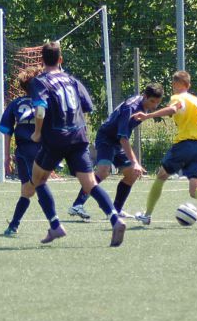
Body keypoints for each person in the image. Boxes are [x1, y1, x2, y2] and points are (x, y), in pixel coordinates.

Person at [20, 41, 128, 247]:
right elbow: (86, 106)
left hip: (55, 138)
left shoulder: (39, 82)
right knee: (90, 184)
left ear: (41, 60)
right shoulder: (72, 80)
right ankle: (115, 218)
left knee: (38, 179)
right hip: (78, 136)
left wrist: (37, 132)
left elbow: (40, 110)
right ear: (61, 60)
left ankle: (55, 225)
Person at [131, 70, 197, 225]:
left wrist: (147, 116)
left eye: (173, 85)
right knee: (194, 190)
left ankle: (147, 215)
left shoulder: (179, 98)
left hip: (185, 144)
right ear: (189, 84)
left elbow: (173, 110)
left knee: (161, 176)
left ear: (175, 85)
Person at [67, 83, 164, 221]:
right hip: (107, 138)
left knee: (131, 174)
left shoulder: (143, 105)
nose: (154, 105)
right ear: (145, 96)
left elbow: (122, 138)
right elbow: (123, 138)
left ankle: (116, 209)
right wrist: (135, 162)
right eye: (152, 101)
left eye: (158, 102)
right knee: (103, 171)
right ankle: (77, 205)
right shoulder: (130, 108)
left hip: (117, 141)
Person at [0, 67, 56, 236]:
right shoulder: (46, 102)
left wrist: (6, 156)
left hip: (21, 152)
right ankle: (55, 222)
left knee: (27, 189)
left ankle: (13, 225)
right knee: (38, 185)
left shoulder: (16, 103)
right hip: (36, 148)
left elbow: (7, 131)